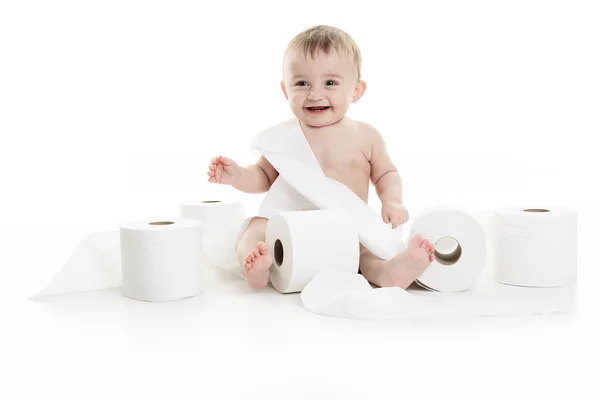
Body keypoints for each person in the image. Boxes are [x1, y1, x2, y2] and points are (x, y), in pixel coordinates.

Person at [207, 25, 435, 289]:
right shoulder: (285, 136)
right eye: (302, 83)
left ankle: (389, 272)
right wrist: (237, 176)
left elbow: (386, 174)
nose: (315, 94)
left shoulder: (365, 136)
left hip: (344, 227)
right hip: (292, 223)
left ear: (356, 91)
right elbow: (263, 177)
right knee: (254, 229)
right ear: (285, 91)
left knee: (367, 249)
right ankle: (257, 267)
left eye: (330, 83)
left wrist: (392, 201)